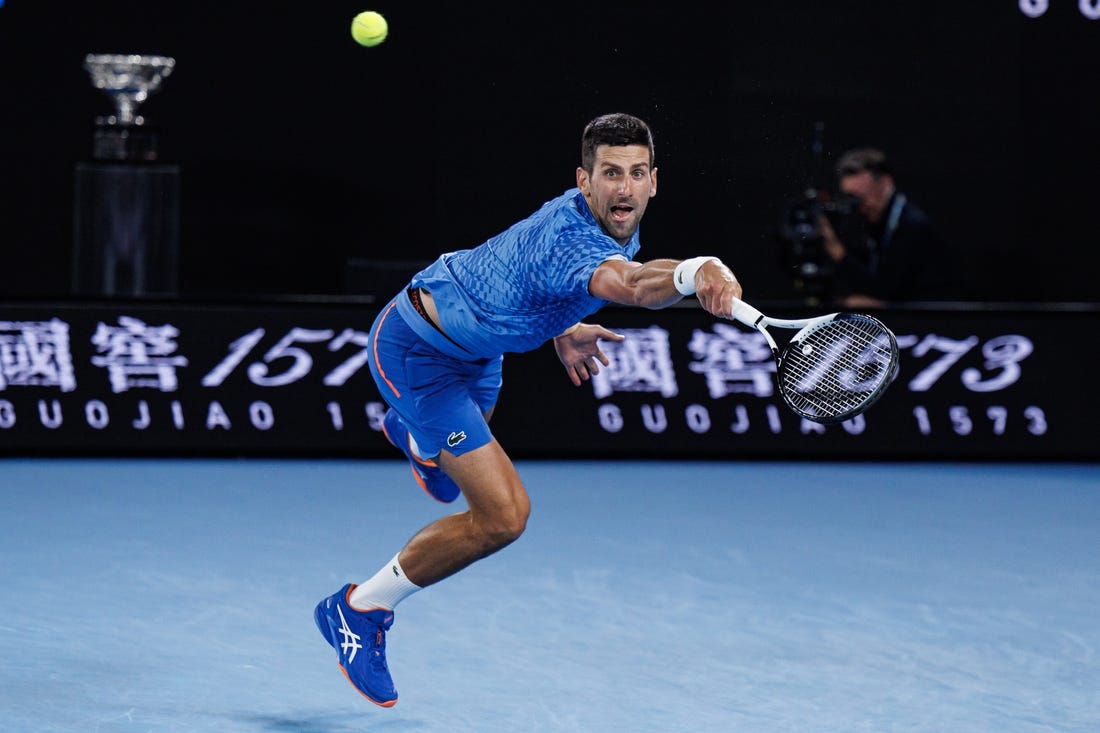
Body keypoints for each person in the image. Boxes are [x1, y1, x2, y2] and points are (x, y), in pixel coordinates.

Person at [313, 113, 744, 706]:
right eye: (610, 174)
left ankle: (415, 435)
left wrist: (564, 324)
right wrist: (702, 270)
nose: (623, 187)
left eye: (636, 173)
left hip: (481, 353)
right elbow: (638, 286)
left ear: (653, 182)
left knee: (461, 456)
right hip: (418, 351)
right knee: (503, 517)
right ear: (584, 180)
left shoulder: (607, 223)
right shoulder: (574, 237)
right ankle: (359, 609)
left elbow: (574, 277)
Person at [817, 147, 948, 307]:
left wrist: (836, 250)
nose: (859, 205)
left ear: (885, 183)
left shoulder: (912, 225)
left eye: (863, 196)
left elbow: (890, 292)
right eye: (851, 197)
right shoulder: (864, 220)